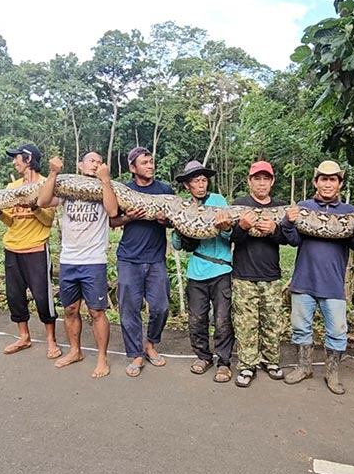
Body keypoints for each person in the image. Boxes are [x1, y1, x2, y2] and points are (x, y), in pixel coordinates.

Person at [284, 160, 354, 394]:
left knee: (338, 331)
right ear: (316, 182)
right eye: (323, 178)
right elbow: (292, 240)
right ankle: (304, 368)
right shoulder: (303, 207)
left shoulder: (350, 212)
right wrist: (288, 222)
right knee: (301, 327)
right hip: (304, 280)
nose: (328, 183)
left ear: (339, 183)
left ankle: (332, 374)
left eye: (333, 179)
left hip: (333, 284)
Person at [36, 152, 118, 377]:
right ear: (80, 165)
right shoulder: (68, 189)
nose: (95, 164)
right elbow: (42, 201)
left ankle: (102, 358)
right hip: (69, 260)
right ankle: (75, 351)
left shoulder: (104, 187)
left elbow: (112, 212)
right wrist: (53, 173)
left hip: (94, 261)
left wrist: (105, 180)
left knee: (96, 312)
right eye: (91, 160)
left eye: (99, 161)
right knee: (70, 309)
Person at [230, 161, 300, 387]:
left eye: (265, 179)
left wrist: (275, 230)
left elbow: (291, 240)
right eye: (257, 178)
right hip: (243, 275)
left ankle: (271, 361)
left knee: (272, 321)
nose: (261, 183)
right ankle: (246, 365)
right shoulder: (239, 205)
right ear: (250, 181)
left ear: (272, 182)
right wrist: (241, 226)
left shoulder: (280, 208)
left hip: (271, 275)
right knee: (246, 324)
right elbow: (231, 238)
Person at [109, 147, 174, 377]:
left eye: (151, 161)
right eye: (144, 162)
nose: (150, 165)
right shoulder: (124, 190)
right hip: (129, 259)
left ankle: (150, 344)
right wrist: (129, 217)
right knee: (129, 310)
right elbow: (112, 221)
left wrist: (163, 220)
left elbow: (174, 221)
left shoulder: (165, 190)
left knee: (160, 307)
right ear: (132, 168)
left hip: (156, 259)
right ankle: (136, 353)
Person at [171, 160, 235, 383]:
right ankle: (202, 356)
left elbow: (229, 235)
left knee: (222, 319)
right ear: (187, 185)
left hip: (221, 270)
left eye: (203, 180)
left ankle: (224, 362)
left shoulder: (218, 201)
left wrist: (226, 228)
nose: (200, 184)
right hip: (196, 272)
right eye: (196, 181)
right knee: (197, 319)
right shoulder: (182, 205)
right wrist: (179, 228)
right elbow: (177, 245)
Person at [0, 144, 60, 359]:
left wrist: (34, 206)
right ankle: (23, 337)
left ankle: (51, 340)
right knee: (14, 296)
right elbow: (10, 221)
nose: (15, 162)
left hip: (36, 249)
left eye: (17, 158)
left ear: (29, 159)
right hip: (12, 248)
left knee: (43, 297)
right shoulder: (12, 187)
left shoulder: (46, 185)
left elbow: (48, 221)